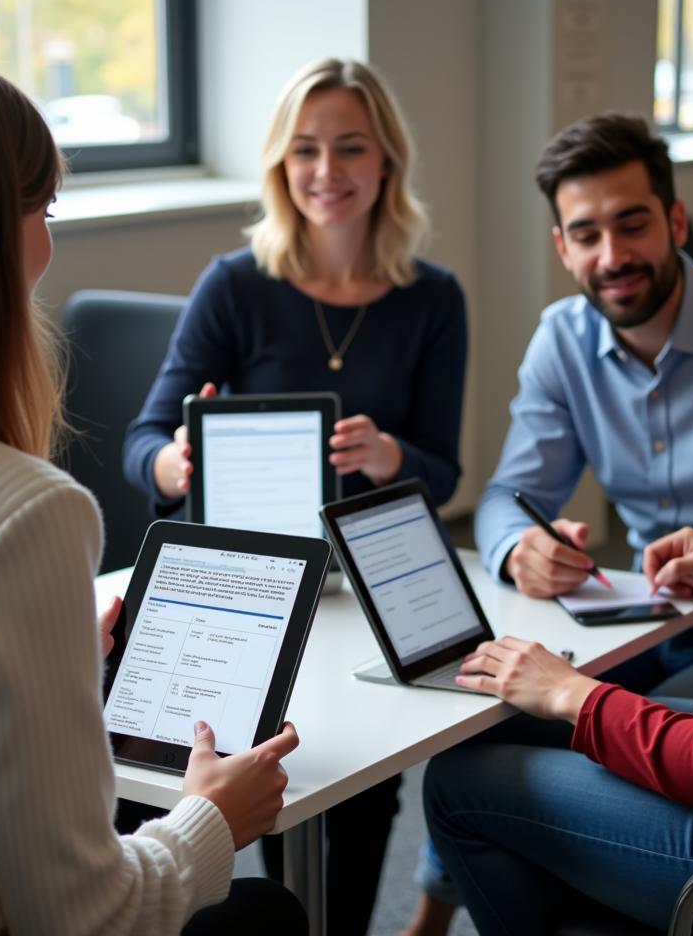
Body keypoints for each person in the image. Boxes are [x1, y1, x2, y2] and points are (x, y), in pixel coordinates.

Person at [0, 39, 306, 936]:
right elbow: (85, 918)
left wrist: (37, 652)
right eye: (41, 208)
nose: (47, 242)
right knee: (268, 915)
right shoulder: (23, 516)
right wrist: (211, 816)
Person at [423, 123, 693, 934]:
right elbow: (505, 496)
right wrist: (523, 547)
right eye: (585, 234)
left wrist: (573, 695)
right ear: (562, 244)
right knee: (508, 734)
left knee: (458, 785)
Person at [122, 57, 468, 936]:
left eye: (350, 147)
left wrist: (392, 456)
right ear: (281, 163)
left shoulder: (434, 299)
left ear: (387, 159)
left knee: (354, 787)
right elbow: (144, 442)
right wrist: (180, 465)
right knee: (188, 770)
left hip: (364, 585)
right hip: (249, 585)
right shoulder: (235, 282)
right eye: (305, 150)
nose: (327, 171)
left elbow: (446, 473)